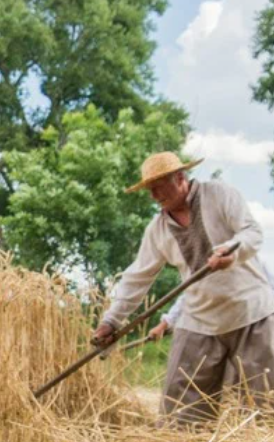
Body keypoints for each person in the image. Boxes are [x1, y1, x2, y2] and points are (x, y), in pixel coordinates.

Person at [93, 153, 274, 423]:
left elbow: (251, 233)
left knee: (264, 407)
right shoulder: (158, 230)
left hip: (251, 313)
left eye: (157, 187)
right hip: (199, 319)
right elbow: (137, 277)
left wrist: (232, 252)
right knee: (180, 412)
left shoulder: (220, 195)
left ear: (179, 178)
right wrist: (111, 320)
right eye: (149, 189)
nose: (153, 195)